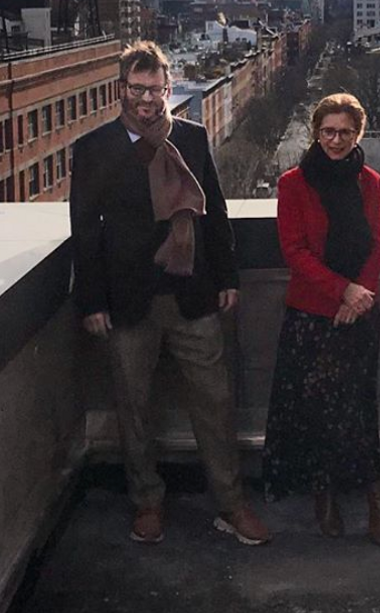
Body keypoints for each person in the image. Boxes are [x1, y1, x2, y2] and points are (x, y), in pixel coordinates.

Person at [70, 40, 270, 547]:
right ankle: (147, 503)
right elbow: (84, 230)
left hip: (192, 292)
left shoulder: (193, 138)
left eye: (155, 89)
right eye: (137, 89)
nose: (146, 99)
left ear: (167, 87)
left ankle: (231, 504)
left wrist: (227, 276)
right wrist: (91, 301)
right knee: (133, 407)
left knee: (216, 402)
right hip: (128, 299)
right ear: (121, 89)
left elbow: (216, 214)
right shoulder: (95, 149)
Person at [262, 93, 380, 544]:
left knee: (358, 407)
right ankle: (326, 494)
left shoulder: (370, 182)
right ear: (316, 132)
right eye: (328, 131)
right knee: (316, 410)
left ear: (358, 135)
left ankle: (376, 497)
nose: (335, 141)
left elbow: (378, 243)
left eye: (345, 133)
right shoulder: (293, 184)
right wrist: (343, 290)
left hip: (360, 313)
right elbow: (293, 251)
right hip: (310, 316)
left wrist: (359, 297)